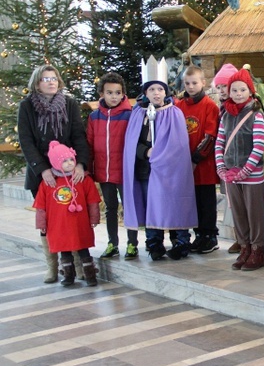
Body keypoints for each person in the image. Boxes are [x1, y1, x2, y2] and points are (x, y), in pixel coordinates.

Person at [17, 64, 90, 284]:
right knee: (48, 222)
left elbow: (79, 135)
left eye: (54, 78)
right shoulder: (27, 106)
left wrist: (81, 164)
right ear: (36, 83)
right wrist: (42, 168)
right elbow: (26, 141)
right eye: (45, 79)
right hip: (42, 174)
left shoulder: (69, 104)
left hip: (68, 172)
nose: (51, 82)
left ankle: (77, 266)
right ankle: (53, 266)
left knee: (72, 218)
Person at [122, 57, 198, 261]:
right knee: (151, 207)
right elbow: (131, 142)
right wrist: (145, 153)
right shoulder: (138, 114)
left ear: (166, 92)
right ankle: (154, 243)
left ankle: (181, 242)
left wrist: (163, 156)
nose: (156, 93)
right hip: (146, 170)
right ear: (145, 93)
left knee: (174, 204)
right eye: (152, 89)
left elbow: (179, 145)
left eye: (160, 89)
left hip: (170, 171)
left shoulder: (174, 113)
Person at [215, 67, 264, 271]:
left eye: (242, 90)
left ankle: (258, 250)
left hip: (251, 174)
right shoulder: (225, 115)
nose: (238, 94)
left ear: (250, 91)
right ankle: (244, 247)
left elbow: (258, 145)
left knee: (254, 213)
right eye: (234, 90)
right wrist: (221, 166)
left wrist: (246, 169)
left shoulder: (255, 114)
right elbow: (220, 142)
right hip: (230, 174)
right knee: (238, 212)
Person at [87, 72, 139, 260]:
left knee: (129, 207)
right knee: (110, 208)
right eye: (109, 93)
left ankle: (132, 243)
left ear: (123, 94)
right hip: (103, 171)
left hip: (124, 171)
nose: (114, 96)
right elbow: (90, 144)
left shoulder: (130, 115)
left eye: (118, 93)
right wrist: (90, 170)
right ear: (102, 93)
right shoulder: (94, 117)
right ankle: (112, 243)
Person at [33, 141, 100, 287]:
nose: (70, 163)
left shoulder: (83, 179)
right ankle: (69, 276)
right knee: (64, 252)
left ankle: (90, 275)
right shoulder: (48, 182)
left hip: (79, 224)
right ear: (56, 163)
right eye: (64, 161)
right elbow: (40, 206)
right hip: (59, 226)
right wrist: (41, 224)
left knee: (84, 250)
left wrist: (94, 218)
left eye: (71, 159)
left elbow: (93, 201)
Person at [175, 65, 221, 254]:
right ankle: (199, 235)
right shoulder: (179, 106)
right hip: (184, 165)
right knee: (192, 203)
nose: (191, 86)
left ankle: (210, 236)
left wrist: (195, 159)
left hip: (203, 165)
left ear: (203, 83)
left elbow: (210, 136)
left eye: (194, 83)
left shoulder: (210, 106)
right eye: (187, 83)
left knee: (206, 203)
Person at [212, 63, 242, 255]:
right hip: (226, 162)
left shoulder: (239, 109)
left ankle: (246, 239)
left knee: (241, 203)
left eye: (226, 86)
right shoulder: (222, 108)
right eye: (220, 87)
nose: (223, 90)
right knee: (231, 202)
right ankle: (239, 237)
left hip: (241, 164)